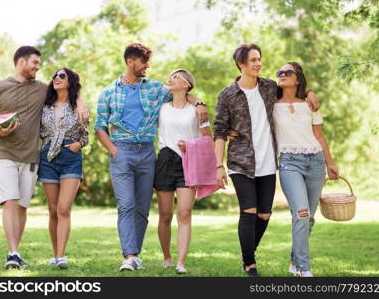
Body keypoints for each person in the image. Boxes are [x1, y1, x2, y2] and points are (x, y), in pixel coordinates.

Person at [94, 43, 208, 272]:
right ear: (130, 62)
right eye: (143, 62)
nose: (147, 67)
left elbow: (183, 93)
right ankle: (130, 255)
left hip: (147, 152)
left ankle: (135, 254)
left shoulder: (156, 88)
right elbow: (100, 127)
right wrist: (114, 150)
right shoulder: (108, 92)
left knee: (142, 208)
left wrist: (200, 103)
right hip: (121, 151)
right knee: (126, 205)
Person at [213, 44, 320, 277]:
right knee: (248, 211)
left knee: (264, 214)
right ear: (241, 64)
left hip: (268, 162)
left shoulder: (270, 88)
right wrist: (218, 165)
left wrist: (310, 92)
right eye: (253, 60)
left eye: (259, 59)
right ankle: (249, 263)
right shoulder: (228, 95)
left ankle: (248, 252)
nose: (258, 64)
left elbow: (295, 92)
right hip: (240, 162)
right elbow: (219, 131)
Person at [0, 46, 89, 269]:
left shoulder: (42, 89)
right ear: (21, 62)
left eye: (39, 64)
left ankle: (21, 252)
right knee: (9, 201)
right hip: (5, 153)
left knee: (22, 205)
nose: (38, 68)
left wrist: (79, 100)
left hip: (32, 157)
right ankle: (13, 252)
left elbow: (67, 91)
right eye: (35, 63)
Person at [274, 62, 339, 277]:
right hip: (289, 163)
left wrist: (330, 162)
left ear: (298, 78)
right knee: (301, 213)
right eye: (280, 73)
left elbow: (319, 135)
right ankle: (304, 268)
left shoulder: (309, 104)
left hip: (316, 162)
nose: (282, 75)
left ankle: (294, 259)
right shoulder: (271, 105)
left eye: (287, 72)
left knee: (309, 217)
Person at [154, 69, 213, 274]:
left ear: (187, 84)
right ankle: (167, 257)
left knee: (184, 213)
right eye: (169, 76)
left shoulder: (198, 110)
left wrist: (190, 145)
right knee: (165, 215)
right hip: (164, 160)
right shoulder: (160, 108)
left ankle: (181, 262)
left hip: (188, 162)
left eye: (176, 77)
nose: (170, 78)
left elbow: (208, 141)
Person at [38, 68, 88, 269]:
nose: (56, 78)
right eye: (54, 76)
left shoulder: (78, 105)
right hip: (48, 155)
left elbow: (86, 134)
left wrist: (79, 144)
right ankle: (55, 253)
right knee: (52, 210)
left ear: (71, 81)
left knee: (63, 208)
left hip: (70, 156)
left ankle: (61, 256)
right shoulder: (44, 104)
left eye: (61, 76)